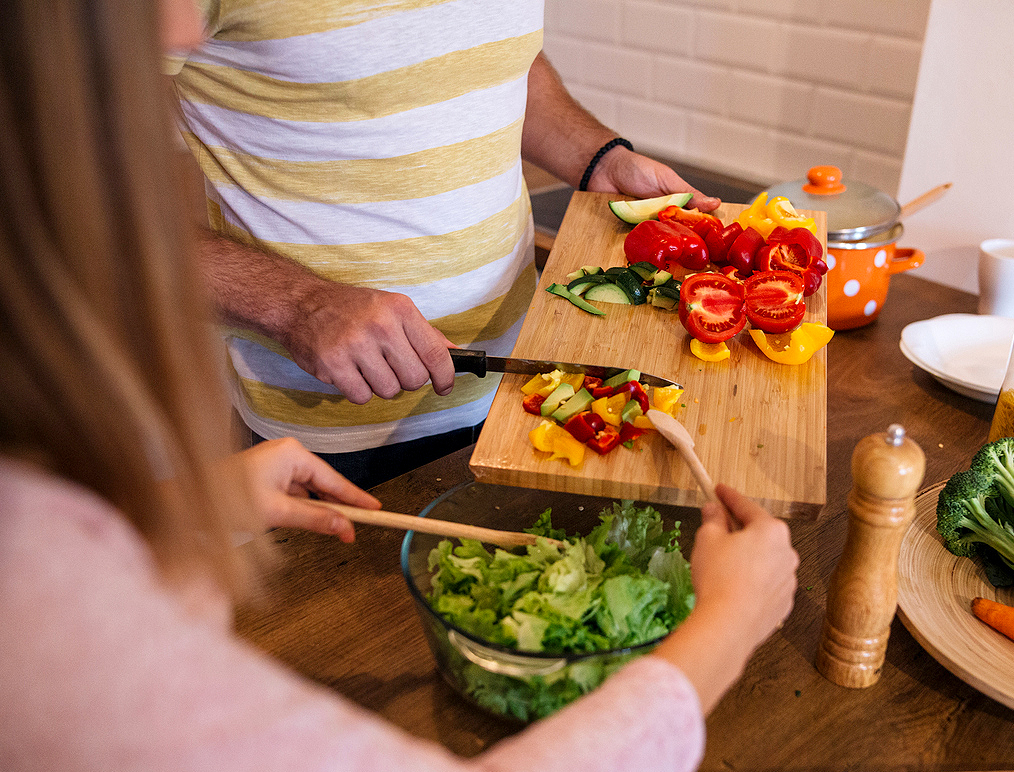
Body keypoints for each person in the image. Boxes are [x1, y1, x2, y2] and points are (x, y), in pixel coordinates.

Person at [0, 1, 800, 772]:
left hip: (513, 404)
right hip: (340, 444)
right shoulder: (41, 598)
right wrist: (727, 628)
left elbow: (496, 59)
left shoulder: (57, 537)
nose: (188, 33)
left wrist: (595, 156)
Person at [167, 1, 721, 488]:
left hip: (521, 381)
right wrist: (296, 305)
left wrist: (597, 157)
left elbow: (502, 59)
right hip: (336, 433)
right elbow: (83, 221)